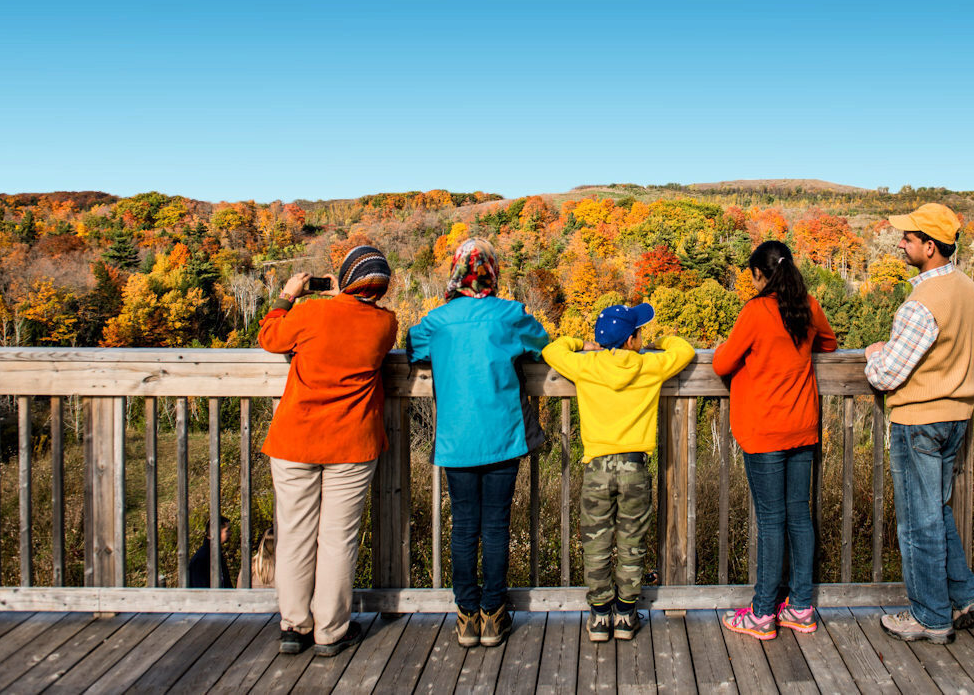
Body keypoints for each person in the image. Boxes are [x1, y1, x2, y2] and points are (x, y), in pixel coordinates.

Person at [407, 238, 550, 648]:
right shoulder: (510, 315)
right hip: (504, 437)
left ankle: (466, 617)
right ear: (492, 271)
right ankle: (493, 615)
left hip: (456, 441)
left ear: (456, 272)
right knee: (495, 526)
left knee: (465, 528)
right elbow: (542, 346)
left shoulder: (436, 322)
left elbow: (412, 347)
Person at [259, 246, 397, 657]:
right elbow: (357, 319)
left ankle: (293, 626)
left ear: (344, 277)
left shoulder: (308, 313)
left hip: (296, 439)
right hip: (352, 443)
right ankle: (331, 630)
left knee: (295, 535)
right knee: (338, 540)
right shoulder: (384, 323)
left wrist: (288, 294)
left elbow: (270, 337)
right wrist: (346, 294)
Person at [863, 203, 974, 645]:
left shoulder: (921, 304)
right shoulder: (971, 291)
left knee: (918, 522)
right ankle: (967, 598)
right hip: (957, 416)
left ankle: (930, 618)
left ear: (930, 246)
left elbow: (886, 375)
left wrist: (872, 353)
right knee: (935, 512)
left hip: (919, 420)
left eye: (908, 238)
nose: (900, 244)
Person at [541, 304, 695, 643]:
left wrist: (584, 345)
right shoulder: (649, 365)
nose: (643, 336)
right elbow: (684, 350)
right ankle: (625, 614)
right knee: (631, 541)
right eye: (640, 333)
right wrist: (662, 341)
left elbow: (552, 349)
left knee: (596, 543)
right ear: (631, 341)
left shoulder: (585, 366)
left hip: (596, 466)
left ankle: (599, 616)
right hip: (634, 467)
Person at [712, 241, 837, 640]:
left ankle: (763, 612)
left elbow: (722, 362)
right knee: (798, 515)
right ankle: (800, 607)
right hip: (802, 425)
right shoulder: (807, 305)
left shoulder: (756, 310)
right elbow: (830, 343)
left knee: (771, 521)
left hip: (764, 428)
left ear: (759, 275)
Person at [187, 516, 233, 589]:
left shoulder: (215, 554)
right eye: (227, 530)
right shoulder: (202, 558)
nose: (230, 533)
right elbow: (200, 590)